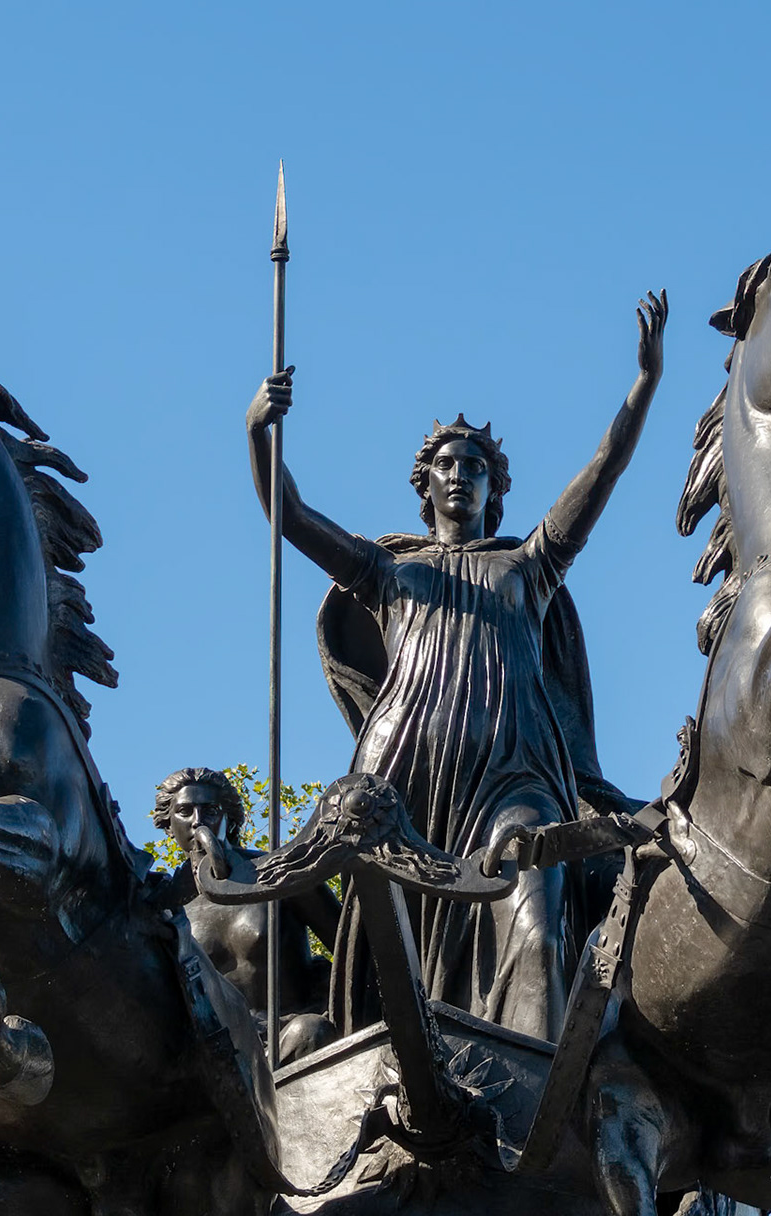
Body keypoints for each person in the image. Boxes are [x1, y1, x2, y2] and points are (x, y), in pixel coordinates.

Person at [243, 291, 666, 1039]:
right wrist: (258, 432)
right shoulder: (385, 572)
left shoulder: (529, 566)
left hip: (514, 776)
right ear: (426, 484)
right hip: (404, 780)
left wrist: (643, 383)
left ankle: (529, 1092)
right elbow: (291, 515)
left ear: (496, 490)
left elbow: (603, 472)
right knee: (388, 960)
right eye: (447, 464)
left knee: (535, 919)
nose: (461, 474)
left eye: (477, 467)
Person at [151, 767, 340, 1064]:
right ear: (168, 824)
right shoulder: (165, 910)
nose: (198, 821)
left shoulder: (280, 874)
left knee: (309, 1031)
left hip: (293, 1037)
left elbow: (356, 949)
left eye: (210, 810)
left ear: (230, 817)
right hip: (222, 1057)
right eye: (185, 811)